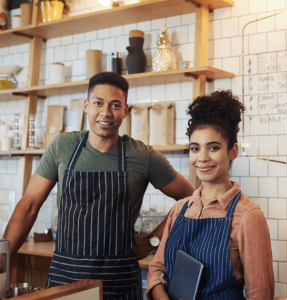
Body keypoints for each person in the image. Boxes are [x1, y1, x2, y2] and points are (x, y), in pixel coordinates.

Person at [4, 72, 194, 300]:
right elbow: (28, 207)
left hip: (119, 284)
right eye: (98, 103)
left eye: (115, 105)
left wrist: (152, 241)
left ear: (125, 110)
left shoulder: (142, 156)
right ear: (86, 105)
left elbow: (191, 199)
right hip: (65, 282)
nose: (105, 113)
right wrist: (1, 261)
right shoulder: (63, 146)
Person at [147, 90, 274, 300]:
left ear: (233, 151)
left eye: (213, 148)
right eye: (195, 149)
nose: (202, 158)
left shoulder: (248, 216)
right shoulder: (180, 209)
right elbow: (157, 270)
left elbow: (260, 294)